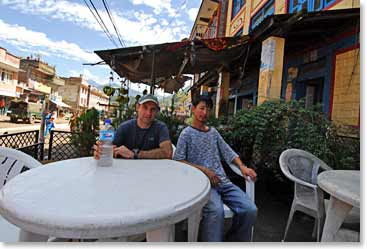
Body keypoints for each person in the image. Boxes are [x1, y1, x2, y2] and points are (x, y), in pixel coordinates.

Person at [173, 95, 257, 242]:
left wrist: (243, 167)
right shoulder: (186, 134)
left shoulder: (213, 132)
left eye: (208, 109)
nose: (205, 112)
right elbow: (178, 160)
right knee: (216, 212)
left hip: (223, 182)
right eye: (202, 108)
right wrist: (205, 171)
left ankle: (233, 240)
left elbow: (228, 152)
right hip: (203, 186)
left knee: (250, 210)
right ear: (193, 109)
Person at [94, 94, 172, 160]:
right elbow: (111, 149)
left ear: (157, 112)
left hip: (153, 173)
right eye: (145, 107)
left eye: (153, 109)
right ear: (137, 107)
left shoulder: (161, 128)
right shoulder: (124, 128)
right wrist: (101, 151)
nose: (148, 113)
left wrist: (135, 154)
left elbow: (168, 153)